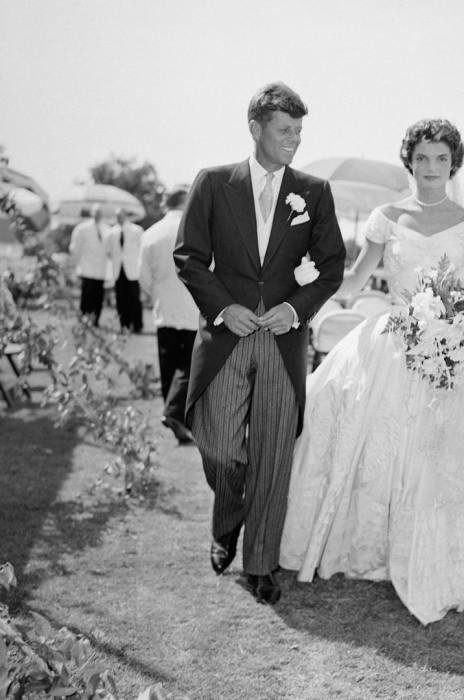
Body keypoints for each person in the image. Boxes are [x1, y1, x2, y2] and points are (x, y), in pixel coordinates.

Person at [279, 118, 464, 624]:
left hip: (452, 344)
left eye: (442, 159)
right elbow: (358, 276)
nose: (432, 168)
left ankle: (448, 555)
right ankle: (370, 546)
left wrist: (461, 315)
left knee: (448, 448)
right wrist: (303, 281)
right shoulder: (386, 217)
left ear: (454, 165)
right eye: (423, 158)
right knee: (361, 429)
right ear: (409, 160)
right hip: (392, 340)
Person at [174, 81, 346, 604]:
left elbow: (332, 265)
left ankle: (262, 563)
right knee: (221, 446)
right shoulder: (211, 182)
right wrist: (226, 308)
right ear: (256, 128)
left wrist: (294, 309)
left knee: (273, 453)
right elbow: (189, 257)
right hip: (226, 337)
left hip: (283, 341)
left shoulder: (313, 191)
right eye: (283, 130)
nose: (293, 139)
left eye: (298, 131)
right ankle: (227, 518)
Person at [139, 187, 199, 445]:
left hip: (163, 308)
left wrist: (157, 293)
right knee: (189, 364)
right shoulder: (197, 229)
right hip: (192, 306)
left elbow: (142, 277)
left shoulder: (150, 233)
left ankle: (172, 414)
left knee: (169, 365)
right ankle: (176, 415)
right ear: (186, 202)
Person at [68, 204, 119, 326]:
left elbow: (111, 249)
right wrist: (74, 265)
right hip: (87, 268)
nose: (98, 215)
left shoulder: (107, 229)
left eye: (100, 213)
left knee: (98, 297)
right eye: (96, 213)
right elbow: (75, 248)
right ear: (92, 213)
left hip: (101, 269)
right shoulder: (82, 228)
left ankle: (95, 320)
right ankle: (84, 319)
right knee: (87, 296)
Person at [111, 208, 144, 333]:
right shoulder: (112, 232)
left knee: (134, 298)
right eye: (117, 215)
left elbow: (142, 249)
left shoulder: (137, 230)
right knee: (121, 299)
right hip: (118, 270)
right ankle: (124, 325)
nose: (119, 217)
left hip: (132, 270)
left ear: (125, 215)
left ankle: (137, 325)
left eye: (121, 215)